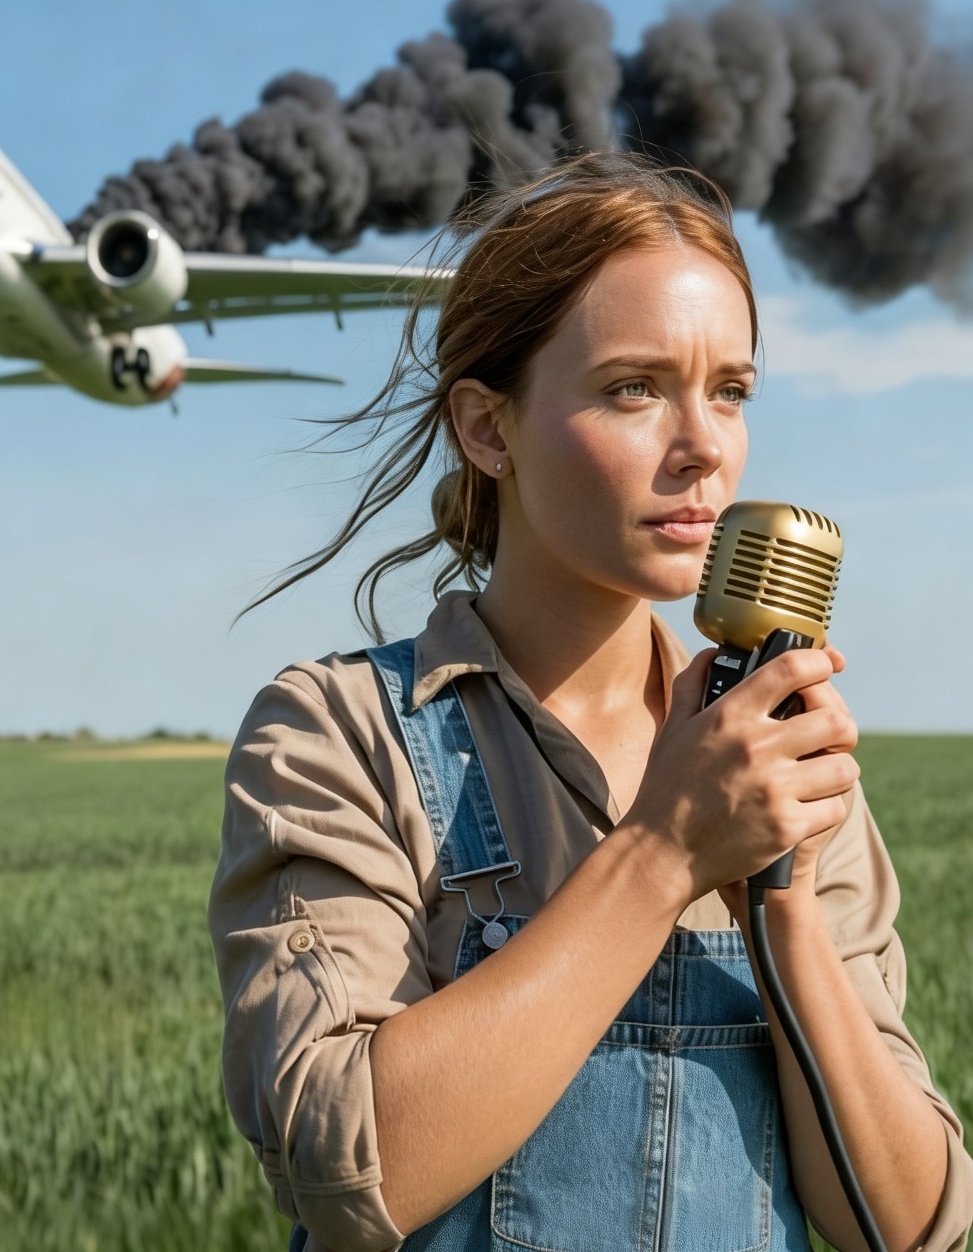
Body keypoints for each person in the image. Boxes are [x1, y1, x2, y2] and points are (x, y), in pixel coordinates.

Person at [208, 151, 973, 1252]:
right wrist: (663, 851)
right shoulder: (337, 732)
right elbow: (348, 1169)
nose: (702, 446)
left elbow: (914, 1225)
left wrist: (785, 910)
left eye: (729, 390)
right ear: (488, 429)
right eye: (632, 387)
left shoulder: (778, 765)